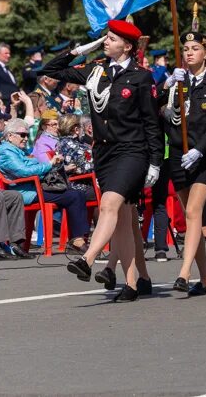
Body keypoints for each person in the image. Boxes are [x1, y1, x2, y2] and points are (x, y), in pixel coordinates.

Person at [41, 20, 163, 302]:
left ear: (128, 46)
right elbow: (50, 71)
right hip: (105, 152)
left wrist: (155, 162)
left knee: (108, 205)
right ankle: (131, 282)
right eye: (105, 38)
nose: (106, 42)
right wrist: (81, 49)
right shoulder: (96, 70)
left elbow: (151, 124)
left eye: (111, 39)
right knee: (121, 219)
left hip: (133, 151)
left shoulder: (141, 77)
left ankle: (88, 258)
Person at [159, 30, 206, 297]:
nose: (189, 53)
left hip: (204, 156)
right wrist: (165, 89)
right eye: (186, 48)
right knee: (191, 216)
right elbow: (160, 112)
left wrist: (199, 149)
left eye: (195, 48)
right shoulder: (178, 81)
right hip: (177, 153)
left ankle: (184, 272)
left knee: (193, 212)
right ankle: (205, 277)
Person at [0, 118, 89, 255]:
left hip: (33, 188)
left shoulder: (15, 150)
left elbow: (32, 166)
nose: (26, 138)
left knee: (77, 193)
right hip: (24, 192)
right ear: (10, 136)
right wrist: (49, 164)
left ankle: (78, 238)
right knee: (74, 196)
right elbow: (23, 171)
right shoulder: (5, 152)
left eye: (27, 135)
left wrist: (45, 166)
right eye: (22, 135)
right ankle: (77, 240)